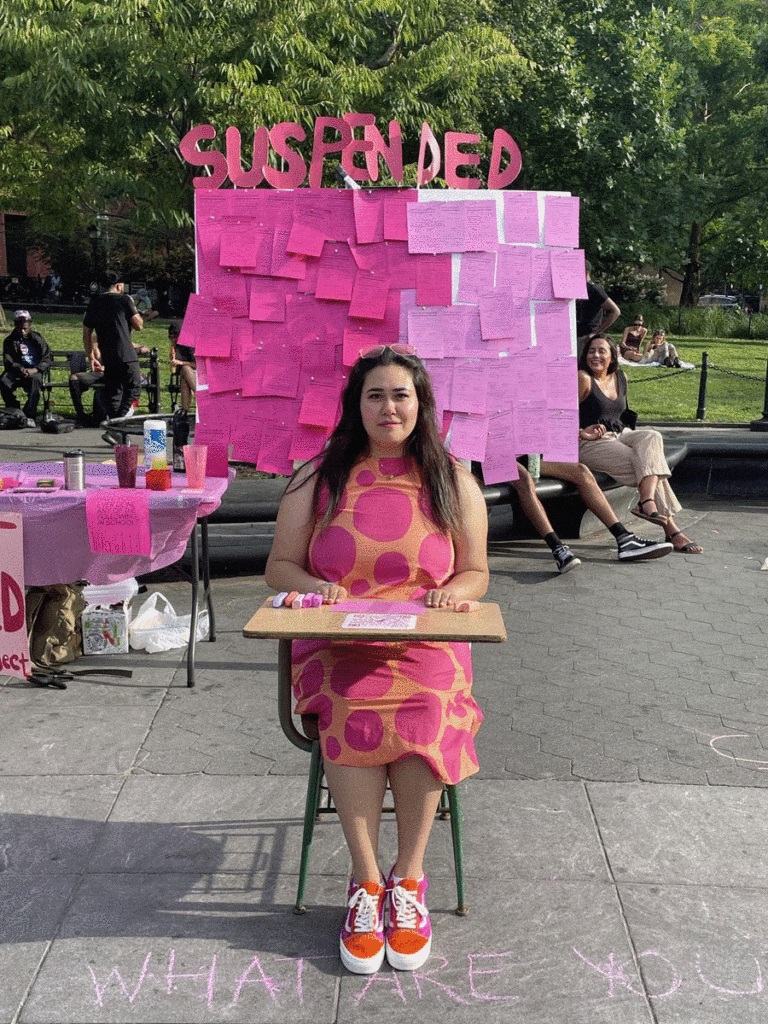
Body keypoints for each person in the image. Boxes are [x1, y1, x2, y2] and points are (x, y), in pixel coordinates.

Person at [265, 344, 489, 975]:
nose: (389, 407)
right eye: (375, 395)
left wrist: (454, 593)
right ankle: (366, 885)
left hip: (426, 646)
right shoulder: (318, 477)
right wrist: (313, 586)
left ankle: (408, 882)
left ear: (421, 405)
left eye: (401, 395)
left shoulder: (451, 478)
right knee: (349, 708)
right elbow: (278, 566)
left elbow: (476, 573)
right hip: (338, 643)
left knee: (427, 711)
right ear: (355, 404)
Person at [578, 336, 702, 553]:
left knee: (652, 437)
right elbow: (557, 417)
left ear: (612, 356)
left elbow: (621, 415)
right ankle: (671, 528)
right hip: (589, 442)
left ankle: (646, 501)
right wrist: (581, 432)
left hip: (620, 433)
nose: (595, 356)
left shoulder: (620, 377)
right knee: (645, 465)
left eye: (601, 351)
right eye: (591, 351)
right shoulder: (583, 379)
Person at [509, 458, 672, 571]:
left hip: (526, 453)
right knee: (523, 477)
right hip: (493, 454)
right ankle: (558, 549)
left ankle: (624, 538)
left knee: (581, 471)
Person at [82, 270, 144, 419]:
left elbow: (86, 333)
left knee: (114, 392)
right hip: (126, 354)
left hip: (108, 355)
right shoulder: (124, 300)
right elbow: (139, 325)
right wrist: (134, 309)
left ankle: (115, 420)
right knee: (134, 387)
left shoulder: (94, 302)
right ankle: (121, 419)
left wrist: (91, 356)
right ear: (118, 286)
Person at [0, 310, 52, 425]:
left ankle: (29, 414)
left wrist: (36, 369)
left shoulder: (37, 339)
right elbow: (8, 360)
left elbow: (47, 357)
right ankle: (14, 411)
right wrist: (19, 368)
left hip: (35, 369)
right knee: (4, 381)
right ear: (15, 325)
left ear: (29, 326)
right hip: (16, 370)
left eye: (25, 328)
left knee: (36, 381)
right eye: (20, 328)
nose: (23, 331)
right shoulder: (9, 341)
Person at [576, 260, 621, 344]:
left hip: (586, 337)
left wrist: (596, 333)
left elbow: (615, 311)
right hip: (575, 334)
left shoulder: (594, 289)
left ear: (585, 273)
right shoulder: (576, 288)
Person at [169, 320, 197, 412]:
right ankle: (185, 410)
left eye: (174, 337)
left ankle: (198, 394)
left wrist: (181, 363)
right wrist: (173, 360)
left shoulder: (190, 344)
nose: (173, 340)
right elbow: (176, 372)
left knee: (185, 369)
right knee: (184, 378)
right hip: (188, 375)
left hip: (201, 372)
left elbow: (198, 365)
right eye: (170, 337)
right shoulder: (177, 347)